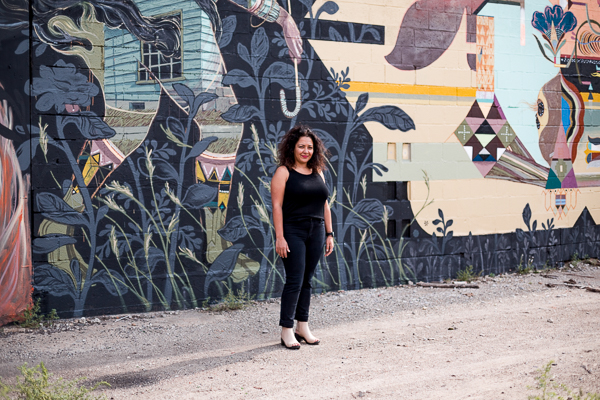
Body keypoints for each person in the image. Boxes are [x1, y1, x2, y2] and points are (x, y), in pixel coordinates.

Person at [271, 125, 334, 350]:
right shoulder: (284, 172)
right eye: (301, 147)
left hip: (316, 231)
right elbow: (277, 206)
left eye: (309, 147)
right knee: (295, 279)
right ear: (293, 148)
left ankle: (302, 326)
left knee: (307, 280)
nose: (306, 151)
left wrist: (329, 233)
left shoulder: (318, 172)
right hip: (293, 231)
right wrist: (280, 237)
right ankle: (286, 330)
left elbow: (325, 205)